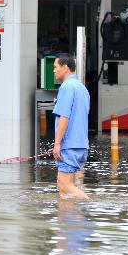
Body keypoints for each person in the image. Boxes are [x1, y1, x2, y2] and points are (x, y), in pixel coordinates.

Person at [52, 54, 90, 199]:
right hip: (81, 145)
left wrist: (57, 144)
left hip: (69, 145)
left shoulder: (67, 87)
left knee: (64, 186)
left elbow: (64, 117)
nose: (54, 71)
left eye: (55, 67)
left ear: (65, 67)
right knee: (65, 192)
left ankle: (91, 206)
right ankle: (69, 220)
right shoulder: (82, 88)